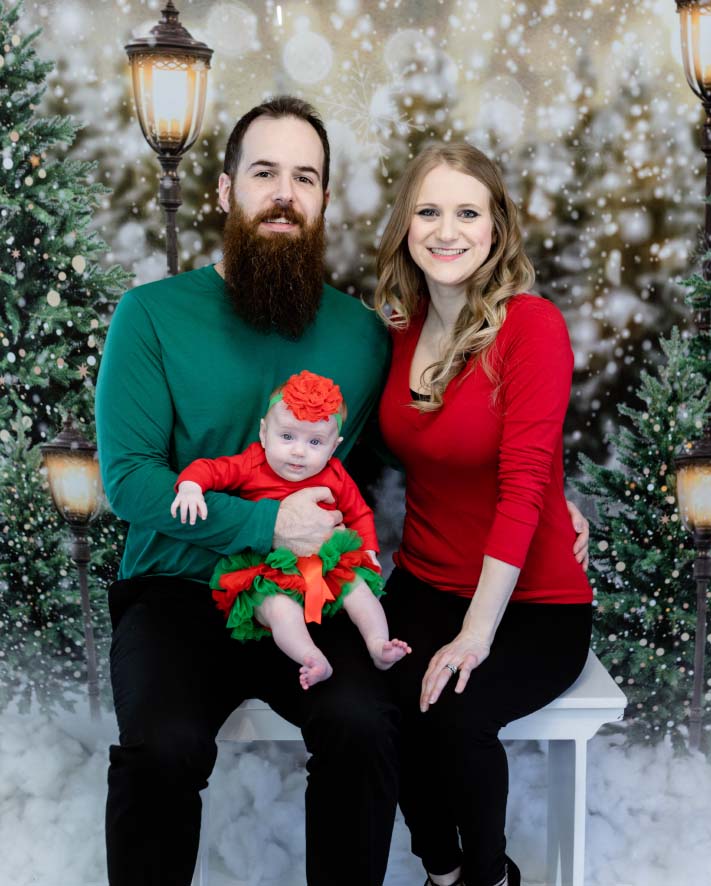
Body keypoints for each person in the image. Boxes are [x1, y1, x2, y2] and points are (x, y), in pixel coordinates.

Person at [96, 95, 589, 886]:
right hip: (176, 590)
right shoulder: (150, 316)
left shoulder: (363, 335)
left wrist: (549, 495)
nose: (283, 194)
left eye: (304, 177)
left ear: (324, 199)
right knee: (163, 747)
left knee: (365, 721)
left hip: (311, 588)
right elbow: (129, 483)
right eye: (264, 173)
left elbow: (443, 438)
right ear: (225, 191)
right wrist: (264, 528)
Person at [373, 144, 594, 886]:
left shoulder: (533, 328)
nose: (447, 231)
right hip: (423, 581)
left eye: (467, 212)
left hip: (533, 600)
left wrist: (475, 635)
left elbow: (523, 486)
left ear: (496, 227)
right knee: (380, 709)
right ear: (406, 226)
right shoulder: (398, 331)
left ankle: (491, 877)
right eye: (429, 211)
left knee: (459, 714)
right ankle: (444, 872)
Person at [170, 369, 410, 688]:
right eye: (287, 437)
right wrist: (190, 487)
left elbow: (359, 513)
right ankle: (311, 657)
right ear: (264, 432)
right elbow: (211, 470)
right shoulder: (251, 463)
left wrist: (368, 550)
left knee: (359, 591)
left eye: (315, 442)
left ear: (333, 447)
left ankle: (378, 644)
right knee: (278, 608)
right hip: (268, 567)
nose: (299, 451)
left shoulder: (335, 474)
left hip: (324, 565)